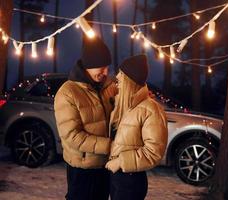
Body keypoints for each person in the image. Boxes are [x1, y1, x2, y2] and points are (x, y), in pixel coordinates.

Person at [54, 36, 117, 200]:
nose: (105, 72)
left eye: (107, 67)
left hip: (105, 165)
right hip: (82, 169)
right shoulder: (68, 92)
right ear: (88, 65)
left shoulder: (109, 86)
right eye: (101, 68)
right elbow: (72, 136)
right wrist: (110, 146)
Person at [105, 54, 168, 200]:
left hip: (131, 181)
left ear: (129, 81)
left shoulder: (151, 109)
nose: (117, 77)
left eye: (121, 74)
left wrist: (120, 161)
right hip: (116, 178)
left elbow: (154, 152)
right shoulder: (122, 106)